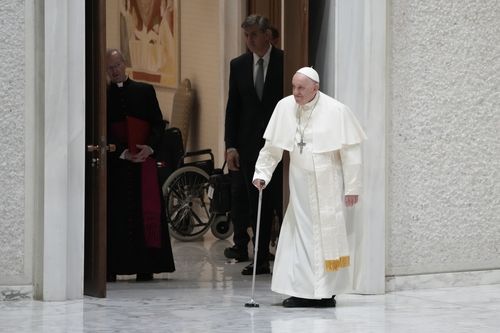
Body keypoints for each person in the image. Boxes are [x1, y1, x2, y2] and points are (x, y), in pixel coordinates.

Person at [252, 67, 367, 307]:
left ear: (316, 87)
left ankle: (325, 293)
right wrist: (262, 173)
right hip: (300, 186)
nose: (296, 92)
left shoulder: (336, 110)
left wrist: (352, 188)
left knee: (325, 237)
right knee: (300, 235)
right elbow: (272, 146)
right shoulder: (285, 107)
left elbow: (351, 152)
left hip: (329, 185)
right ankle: (304, 291)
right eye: (293, 87)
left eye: (301, 88)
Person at [106, 49, 175, 282]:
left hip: (143, 164)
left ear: (125, 64)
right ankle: (114, 267)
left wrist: (150, 147)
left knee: (144, 214)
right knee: (117, 218)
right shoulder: (103, 95)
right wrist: (122, 152)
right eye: (109, 68)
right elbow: (101, 131)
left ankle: (146, 266)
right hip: (117, 166)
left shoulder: (144, 91)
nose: (114, 71)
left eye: (117, 65)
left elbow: (158, 124)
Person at [224, 15, 284, 275]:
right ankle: (259, 259)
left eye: (254, 35)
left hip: (280, 144)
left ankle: (285, 257)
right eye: (246, 35)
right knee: (256, 203)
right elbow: (233, 108)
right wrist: (231, 146)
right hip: (249, 147)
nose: (249, 40)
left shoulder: (285, 60)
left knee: (280, 202)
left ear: (267, 35)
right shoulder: (238, 65)